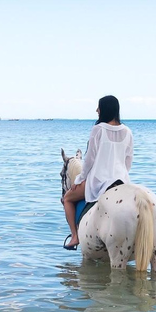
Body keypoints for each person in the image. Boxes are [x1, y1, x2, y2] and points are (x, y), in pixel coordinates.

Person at [62, 95, 133, 250]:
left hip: (100, 181)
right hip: (121, 182)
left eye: (98, 107)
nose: (96, 110)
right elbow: (128, 161)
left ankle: (74, 237)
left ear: (104, 109)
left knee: (67, 198)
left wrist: (78, 180)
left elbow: (88, 161)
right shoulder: (127, 131)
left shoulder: (98, 129)